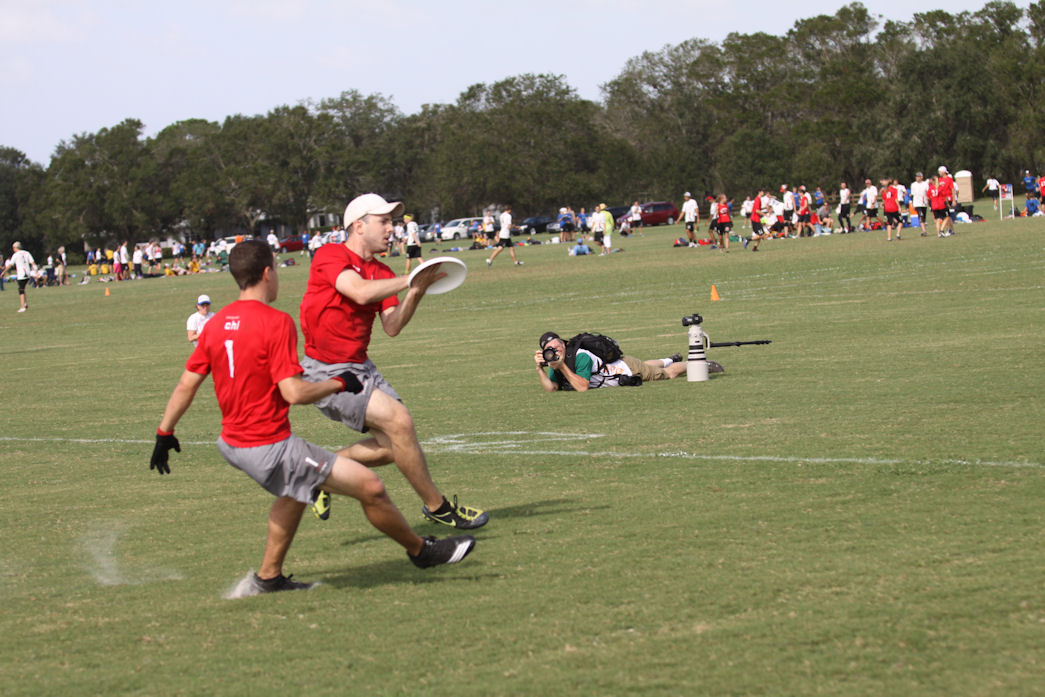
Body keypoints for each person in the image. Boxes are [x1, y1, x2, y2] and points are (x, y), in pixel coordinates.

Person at [150, 240, 475, 595]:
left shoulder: (215, 325)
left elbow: (186, 384)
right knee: (371, 487)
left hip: (231, 443)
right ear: (267, 273)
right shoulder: (276, 322)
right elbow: (294, 393)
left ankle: (268, 578)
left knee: (295, 492)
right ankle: (421, 551)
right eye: (277, 269)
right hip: (270, 446)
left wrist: (164, 433)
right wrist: (340, 383)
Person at [299, 193, 488, 529]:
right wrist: (410, 280)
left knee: (394, 446)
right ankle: (438, 507)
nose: (392, 228)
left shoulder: (382, 270)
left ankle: (317, 472)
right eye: (384, 221)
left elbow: (392, 326)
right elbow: (357, 291)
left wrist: (416, 292)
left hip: (361, 367)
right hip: (327, 371)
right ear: (359, 226)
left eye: (392, 222)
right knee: (400, 423)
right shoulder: (330, 255)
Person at [534, 331, 687, 392]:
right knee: (645, 364)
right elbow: (552, 388)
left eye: (557, 346)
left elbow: (582, 387)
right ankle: (669, 359)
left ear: (563, 343)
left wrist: (561, 366)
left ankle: (695, 364)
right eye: (550, 350)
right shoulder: (555, 362)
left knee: (669, 373)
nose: (555, 351)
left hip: (629, 369)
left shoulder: (580, 356)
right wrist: (539, 369)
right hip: (623, 364)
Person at [4, 242, 37, 313]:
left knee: (21, 289)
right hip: (28, 273)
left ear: (15, 248)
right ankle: (25, 304)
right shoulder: (27, 253)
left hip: (21, 274)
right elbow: (33, 263)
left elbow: (10, 265)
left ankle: (22, 307)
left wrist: (4, 272)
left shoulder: (16, 255)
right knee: (23, 288)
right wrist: (36, 272)